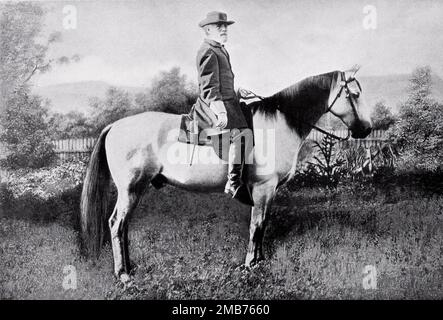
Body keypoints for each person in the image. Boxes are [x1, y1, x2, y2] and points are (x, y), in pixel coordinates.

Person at [195, 11, 254, 206]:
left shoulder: (221, 49)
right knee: (241, 134)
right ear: (208, 29)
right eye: (219, 26)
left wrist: (237, 92)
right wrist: (220, 111)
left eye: (225, 26)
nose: (224, 29)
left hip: (228, 102)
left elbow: (222, 83)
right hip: (213, 106)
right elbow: (209, 88)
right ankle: (233, 182)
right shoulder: (208, 51)